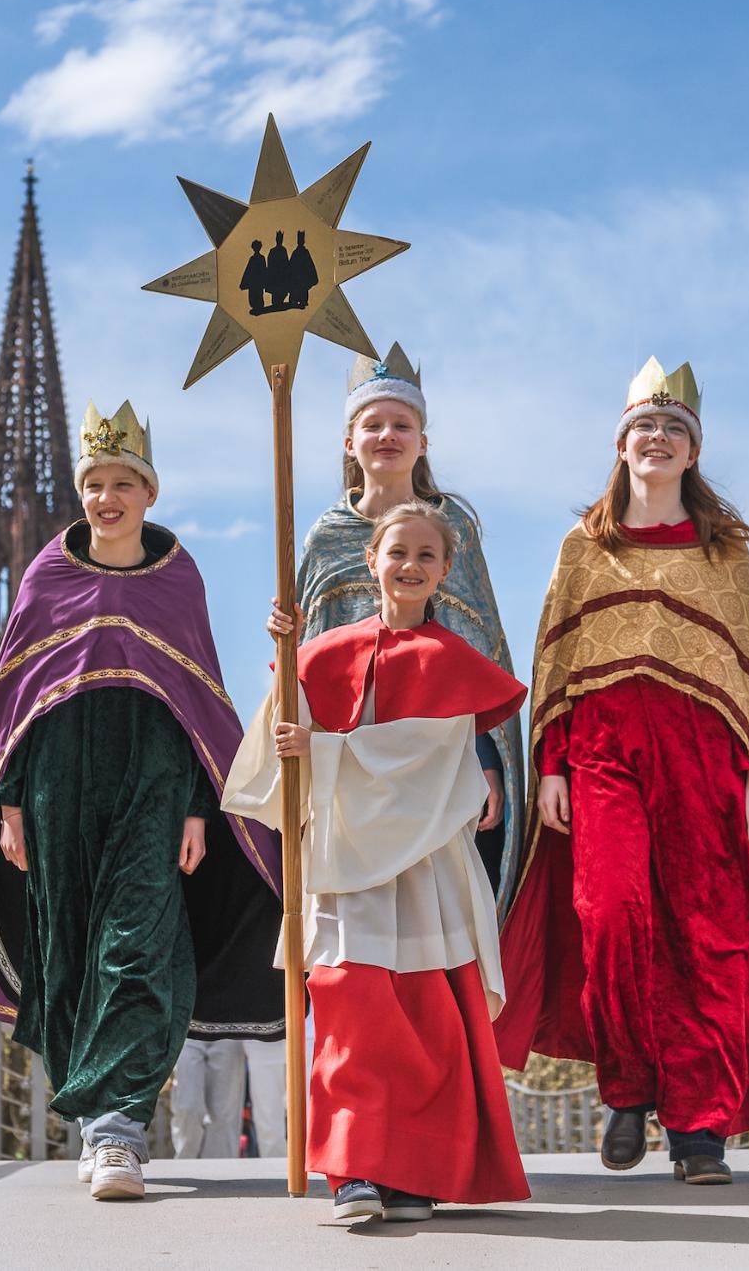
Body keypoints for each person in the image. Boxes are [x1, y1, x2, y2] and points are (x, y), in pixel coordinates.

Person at [493, 358, 749, 1186]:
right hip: (601, 756)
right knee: (611, 913)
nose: (657, 439)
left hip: (706, 761)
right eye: (644, 428)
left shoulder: (723, 553)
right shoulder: (584, 547)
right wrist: (550, 765)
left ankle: (699, 1128)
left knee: (710, 933)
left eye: (674, 430)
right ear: (620, 445)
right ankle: (628, 1086)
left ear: (692, 452)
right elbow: (556, 661)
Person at [0, 400, 285, 1202]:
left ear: (149, 493)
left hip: (154, 784)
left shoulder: (177, 579)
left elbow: (200, 702)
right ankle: (98, 1114)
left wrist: (200, 809)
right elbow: (14, 703)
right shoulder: (47, 576)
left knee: (139, 943)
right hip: (57, 787)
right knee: (68, 947)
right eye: (95, 483)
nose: (108, 498)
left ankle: (118, 1131)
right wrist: (8, 804)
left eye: (123, 484)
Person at [226, 503, 532, 1223]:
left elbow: (425, 767)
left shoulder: (454, 666)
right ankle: (355, 1170)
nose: (411, 565)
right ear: (370, 561)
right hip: (343, 857)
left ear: (446, 572)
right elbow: (275, 747)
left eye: (427, 555)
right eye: (398, 551)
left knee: (426, 1022)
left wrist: (324, 751)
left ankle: (413, 1171)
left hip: (424, 863)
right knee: (350, 1010)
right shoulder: (323, 653)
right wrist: (287, 669)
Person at [282, 342, 529, 910]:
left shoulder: (451, 528)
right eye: (373, 425)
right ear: (351, 442)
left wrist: (485, 761)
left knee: (433, 905)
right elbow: (310, 650)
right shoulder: (326, 536)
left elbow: (477, 654)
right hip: (352, 753)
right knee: (357, 906)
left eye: (402, 424)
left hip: (431, 755)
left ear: (422, 443)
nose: (387, 435)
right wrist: (285, 629)